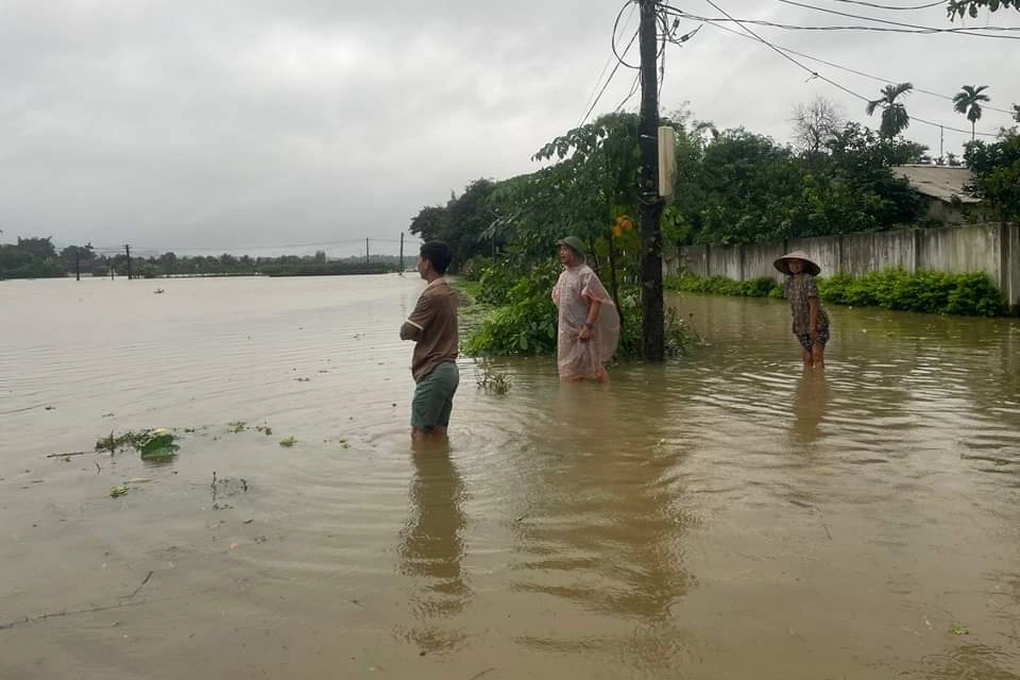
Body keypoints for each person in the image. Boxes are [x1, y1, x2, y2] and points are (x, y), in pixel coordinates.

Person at [400, 241, 459, 442]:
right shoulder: (449, 293)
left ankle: (425, 473)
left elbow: (406, 331)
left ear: (427, 263)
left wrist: (416, 332)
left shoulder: (431, 296)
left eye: (419, 259)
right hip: (449, 370)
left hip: (433, 371)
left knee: (420, 435)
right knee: (438, 434)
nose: (417, 264)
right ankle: (440, 470)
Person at [551, 236, 620, 382]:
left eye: (565, 249)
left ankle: (606, 399)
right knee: (569, 372)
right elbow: (561, 301)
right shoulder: (563, 275)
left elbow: (597, 300)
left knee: (594, 370)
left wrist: (588, 327)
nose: (561, 253)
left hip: (584, 330)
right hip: (567, 333)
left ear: (575, 252)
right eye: (561, 249)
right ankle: (576, 403)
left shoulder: (585, 274)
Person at [774, 250, 831, 369]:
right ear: (788, 266)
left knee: (817, 356)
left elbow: (814, 305)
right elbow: (794, 305)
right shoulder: (789, 282)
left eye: (798, 263)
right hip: (800, 325)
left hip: (817, 324)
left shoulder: (808, 279)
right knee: (807, 357)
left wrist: (812, 327)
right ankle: (808, 383)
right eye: (791, 263)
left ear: (804, 265)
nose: (794, 266)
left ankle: (820, 384)